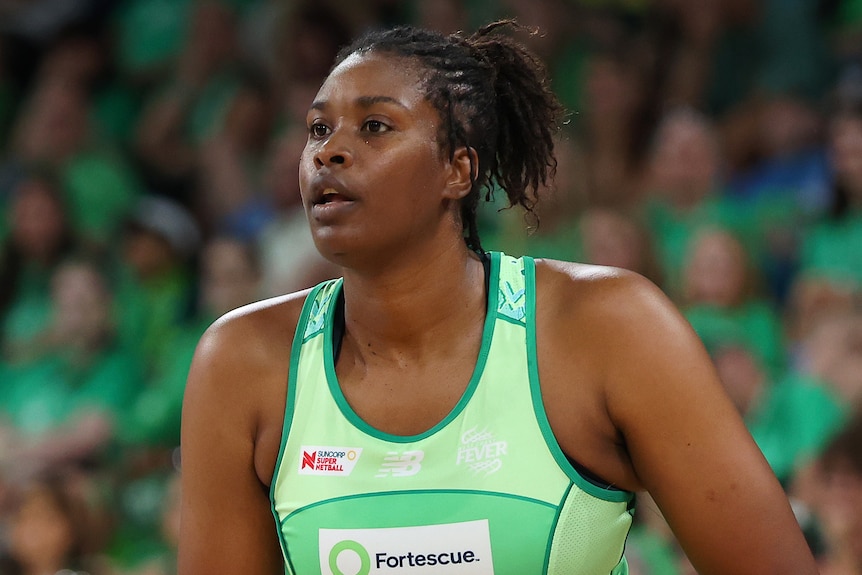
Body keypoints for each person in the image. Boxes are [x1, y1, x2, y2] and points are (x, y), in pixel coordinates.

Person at [179, 20, 818, 575]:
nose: (330, 152)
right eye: (318, 129)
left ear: (459, 169)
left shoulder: (607, 327)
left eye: (375, 126)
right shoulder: (241, 363)